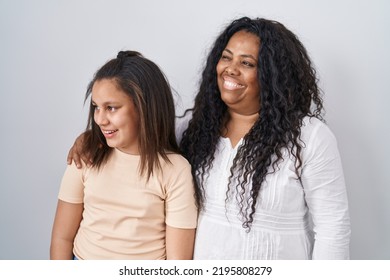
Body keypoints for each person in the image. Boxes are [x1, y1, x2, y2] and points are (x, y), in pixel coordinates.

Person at [68, 17, 351, 260]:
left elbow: (332, 229)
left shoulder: (309, 138)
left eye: (247, 63)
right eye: (226, 57)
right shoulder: (194, 128)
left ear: (274, 75)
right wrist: (91, 140)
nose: (230, 68)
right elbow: (138, 141)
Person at [51, 51, 198, 260]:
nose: (100, 119)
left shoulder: (175, 170)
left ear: (144, 108)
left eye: (111, 108)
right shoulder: (86, 154)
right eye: (96, 108)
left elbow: (178, 263)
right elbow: (61, 238)